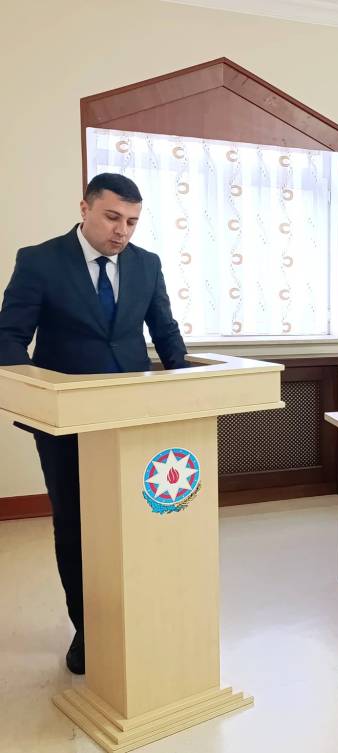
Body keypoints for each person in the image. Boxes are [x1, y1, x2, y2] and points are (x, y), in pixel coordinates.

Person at [0, 173, 188, 675]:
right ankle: (88, 629)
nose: (122, 230)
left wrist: (188, 387)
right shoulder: (39, 261)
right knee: (77, 526)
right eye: (112, 217)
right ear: (84, 208)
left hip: (135, 419)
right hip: (65, 423)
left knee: (139, 521)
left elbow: (165, 332)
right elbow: (9, 337)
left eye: (132, 221)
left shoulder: (147, 264)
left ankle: (136, 616)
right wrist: (32, 395)